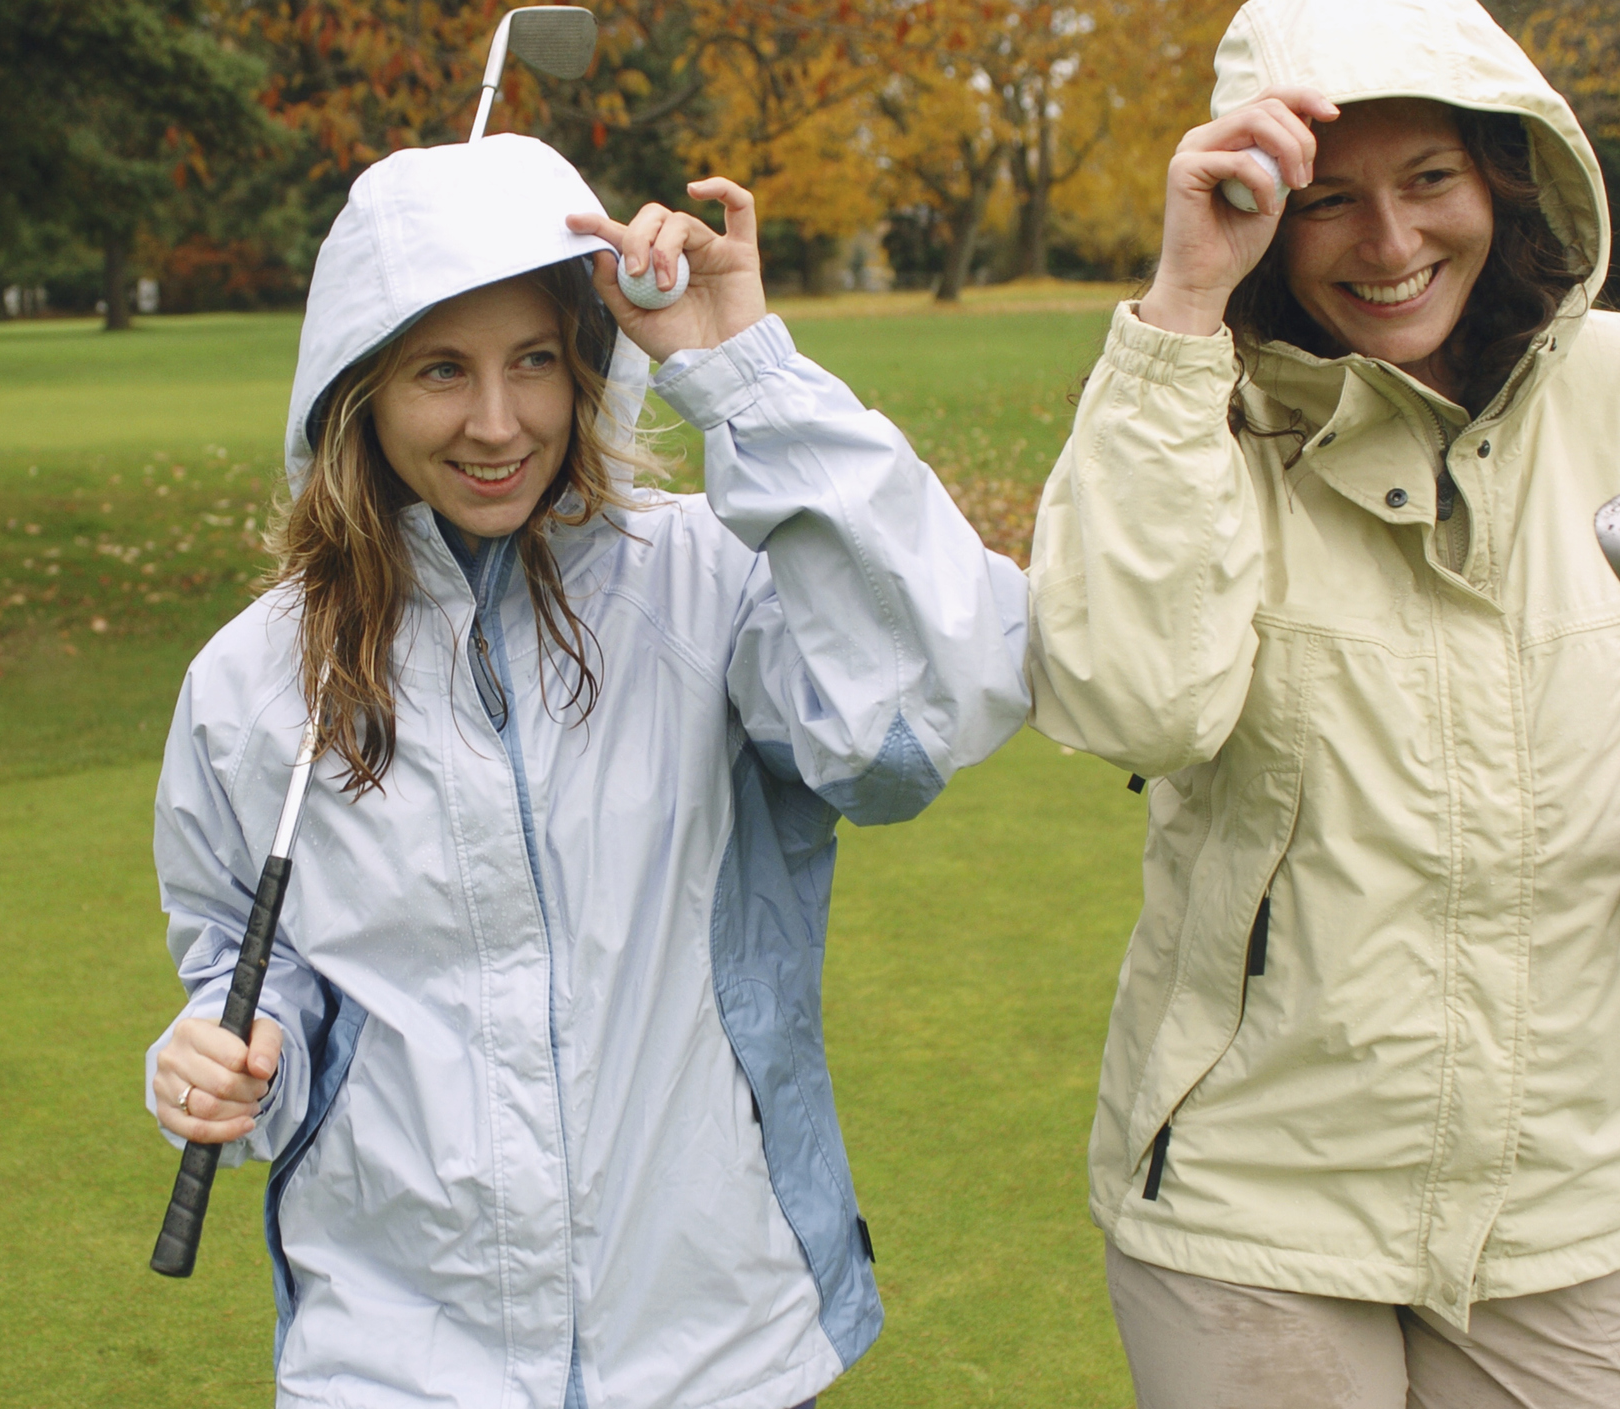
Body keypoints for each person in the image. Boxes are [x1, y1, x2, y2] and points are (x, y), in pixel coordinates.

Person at [143, 134, 1029, 1408]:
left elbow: (920, 717)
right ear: (359, 389)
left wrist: (745, 372)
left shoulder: (708, 582)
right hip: (393, 1362)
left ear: (588, 363)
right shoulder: (251, 678)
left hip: (717, 1348)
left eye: (535, 363)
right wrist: (230, 1044)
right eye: (441, 369)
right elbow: (240, 954)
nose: (497, 423)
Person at [1026, 0, 1620, 1403]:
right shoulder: (1192, 416)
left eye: (1428, 181)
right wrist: (1178, 312)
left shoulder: (1608, 394)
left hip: (1564, 1198)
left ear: (1502, 178)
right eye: (1327, 200)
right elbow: (1128, 701)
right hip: (1253, 1202)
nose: (1390, 244)